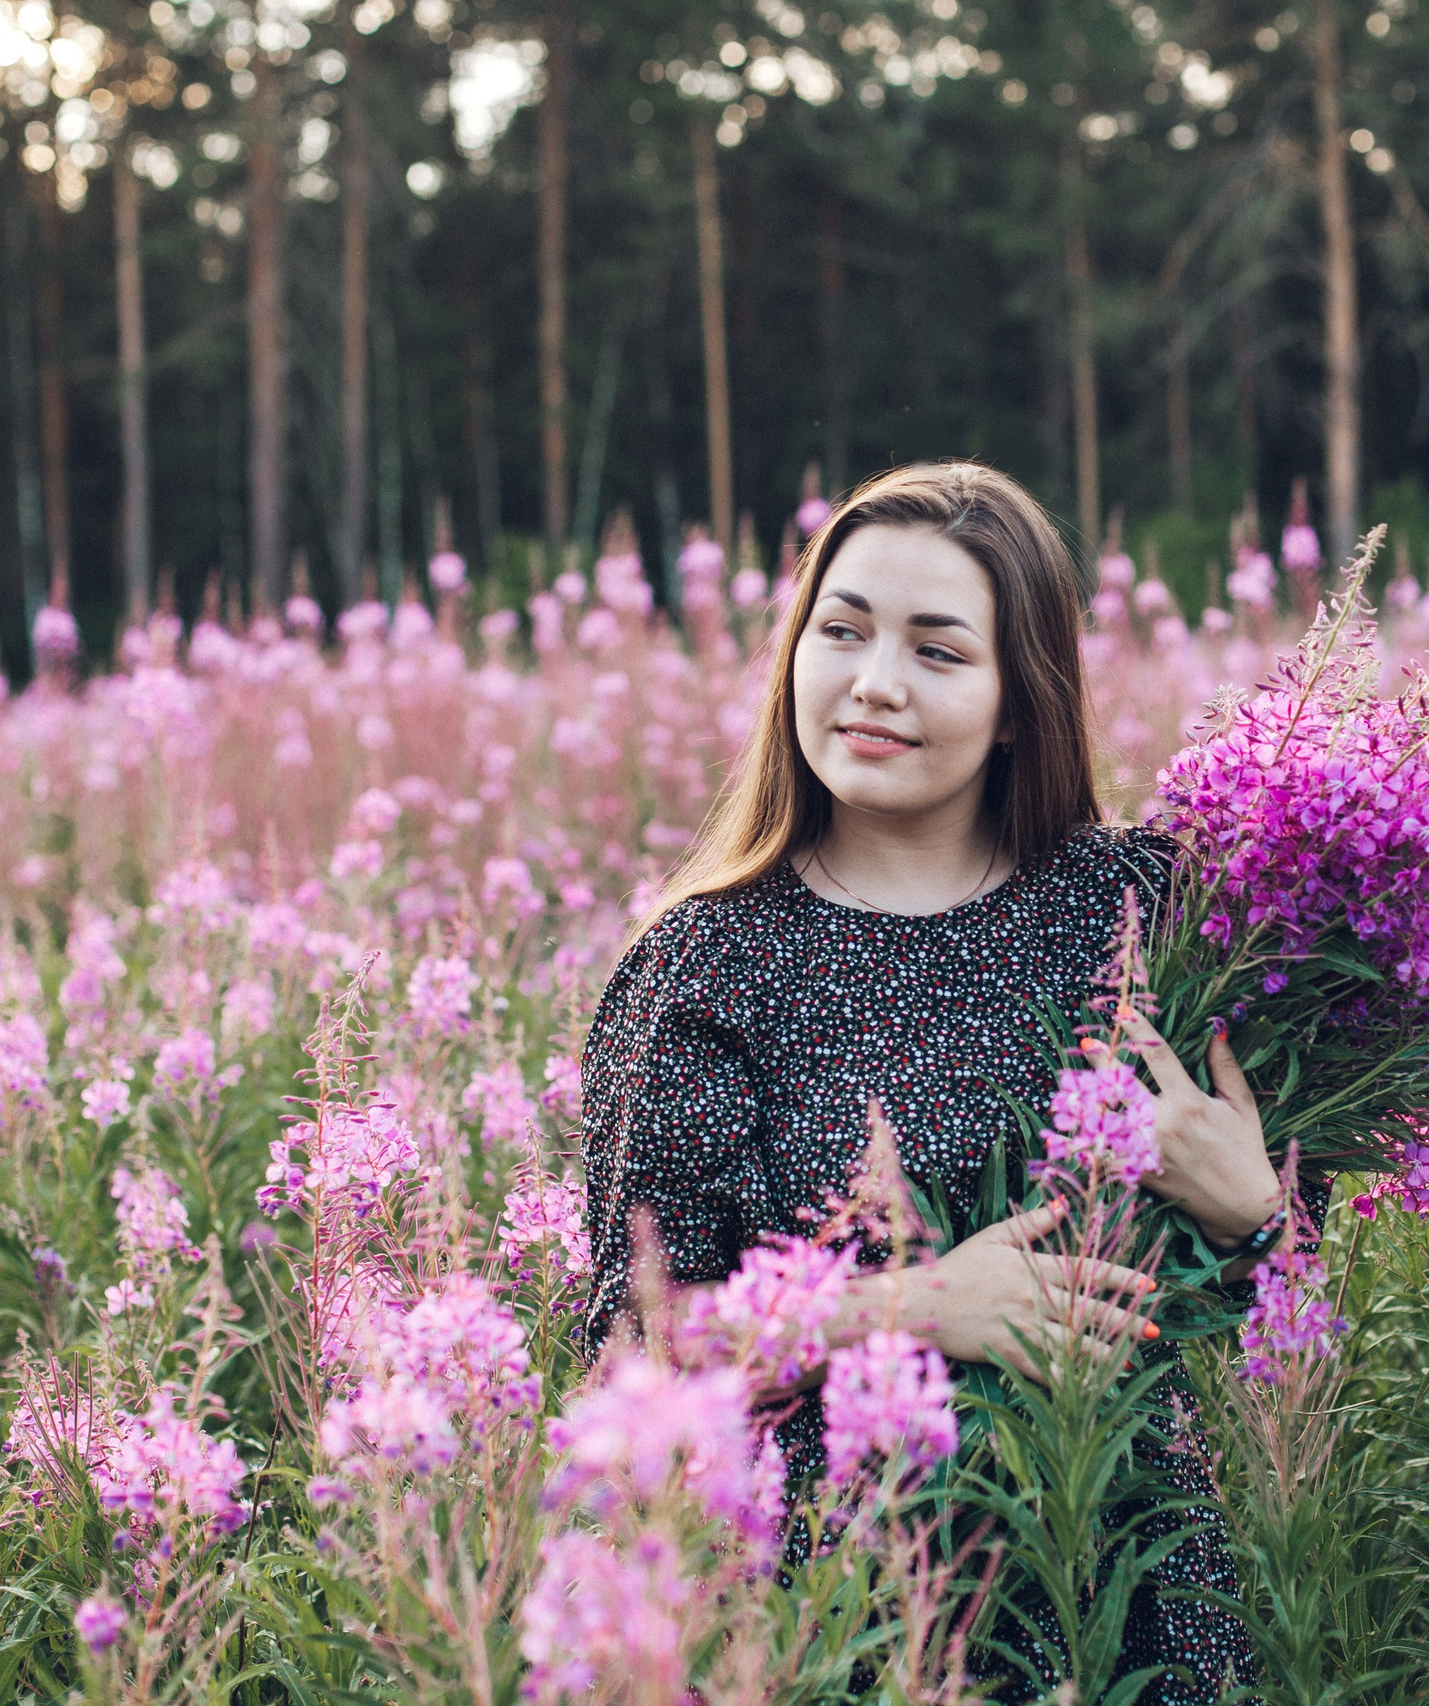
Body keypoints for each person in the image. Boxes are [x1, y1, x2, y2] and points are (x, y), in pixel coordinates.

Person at [579, 461, 1306, 1703]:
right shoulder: (703, 963)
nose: (873, 682)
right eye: (842, 629)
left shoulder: (1142, 904)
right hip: (843, 1615)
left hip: (1128, 1591)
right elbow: (636, 1348)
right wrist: (912, 1304)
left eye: (938, 650)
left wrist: (1256, 1205)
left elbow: (1288, 1295)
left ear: (1021, 700)